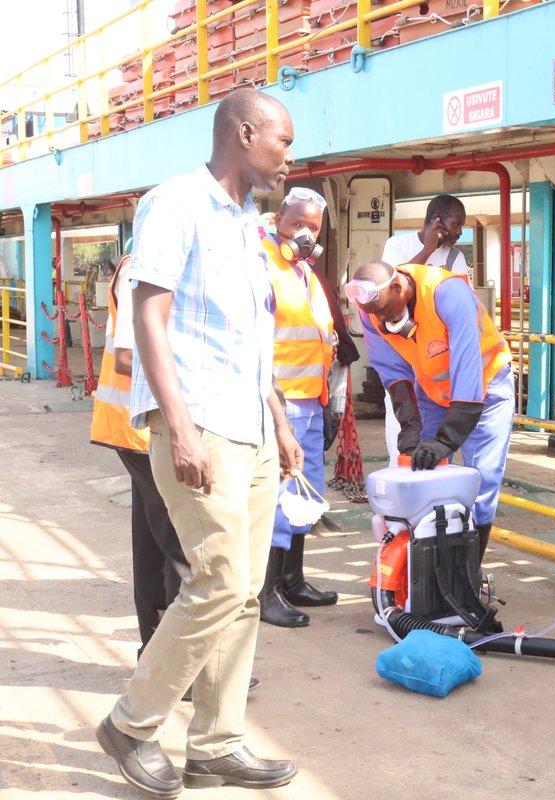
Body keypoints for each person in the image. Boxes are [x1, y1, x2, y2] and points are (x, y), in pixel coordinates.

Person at [95, 88, 303, 797]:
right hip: (203, 425)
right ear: (245, 133)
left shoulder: (247, 225)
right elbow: (148, 319)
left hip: (252, 427)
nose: (289, 157)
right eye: (283, 141)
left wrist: (278, 419)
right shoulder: (175, 204)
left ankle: (216, 744)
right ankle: (131, 723)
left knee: (245, 593)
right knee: (217, 582)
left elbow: (247, 338)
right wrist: (178, 426)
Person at [347, 259, 514, 562]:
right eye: (376, 314)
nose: (382, 319)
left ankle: (468, 574)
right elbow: (392, 371)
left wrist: (447, 439)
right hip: (434, 391)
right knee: (422, 469)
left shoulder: (447, 293)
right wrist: (410, 425)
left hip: (486, 388)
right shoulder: (371, 311)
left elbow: (467, 370)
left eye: (385, 310)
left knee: (481, 481)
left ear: (398, 287)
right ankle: (429, 567)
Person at [89, 253, 189, 658]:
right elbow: (128, 357)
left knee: (154, 539)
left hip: (142, 426)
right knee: (183, 543)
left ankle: (156, 654)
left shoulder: (158, 266)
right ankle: (179, 663)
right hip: (146, 427)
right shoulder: (144, 269)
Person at [257, 187, 340, 628]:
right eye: (297, 224)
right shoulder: (263, 265)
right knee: (276, 500)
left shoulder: (304, 272)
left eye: (313, 227)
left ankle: (292, 579)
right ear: (277, 222)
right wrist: (276, 415)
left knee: (305, 496)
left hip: (310, 400)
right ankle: (265, 591)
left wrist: (327, 402)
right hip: (279, 405)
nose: (305, 234)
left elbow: (320, 341)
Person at [381, 193, 469, 275]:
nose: (460, 232)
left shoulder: (456, 256)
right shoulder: (397, 243)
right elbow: (393, 281)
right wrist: (427, 250)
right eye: (456, 224)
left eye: (461, 226)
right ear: (437, 220)